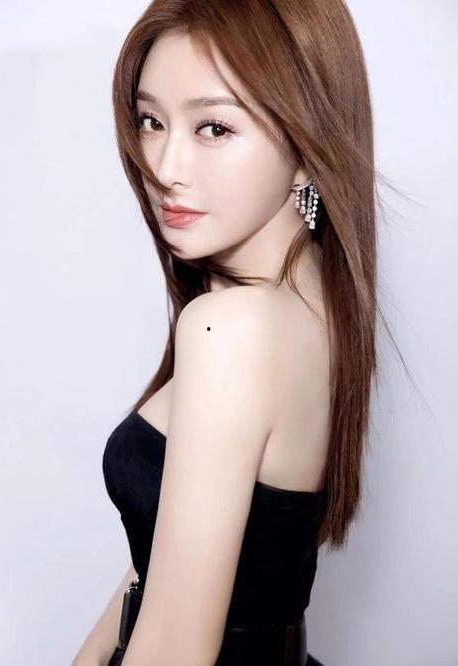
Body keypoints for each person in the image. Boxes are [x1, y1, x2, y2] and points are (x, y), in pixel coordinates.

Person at [73, 0, 379, 664]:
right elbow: (179, 547)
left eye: (213, 127)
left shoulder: (229, 329)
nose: (165, 167)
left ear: (307, 148)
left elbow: (174, 652)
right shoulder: (314, 299)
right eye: (151, 121)